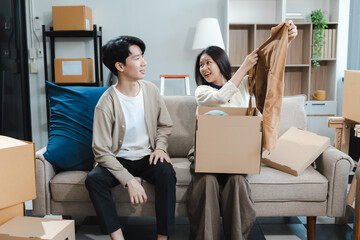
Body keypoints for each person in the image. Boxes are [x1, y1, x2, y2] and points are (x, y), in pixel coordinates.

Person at [187, 21, 298, 240]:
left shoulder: (246, 84)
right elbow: (221, 97)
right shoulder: (202, 91)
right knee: (207, 181)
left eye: (208, 63)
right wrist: (244, 66)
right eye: (201, 65)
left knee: (237, 181)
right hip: (207, 153)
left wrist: (287, 40)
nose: (204, 69)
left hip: (236, 156)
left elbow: (270, 69)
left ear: (221, 63)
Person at [85, 36, 176, 240]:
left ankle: (163, 238)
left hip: (147, 156)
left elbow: (165, 125)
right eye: (136, 58)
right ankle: (117, 238)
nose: (144, 63)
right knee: (94, 180)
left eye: (142, 57)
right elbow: (101, 151)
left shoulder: (151, 91)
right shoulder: (106, 103)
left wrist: (160, 148)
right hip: (118, 159)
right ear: (120, 66)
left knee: (166, 173)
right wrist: (129, 180)